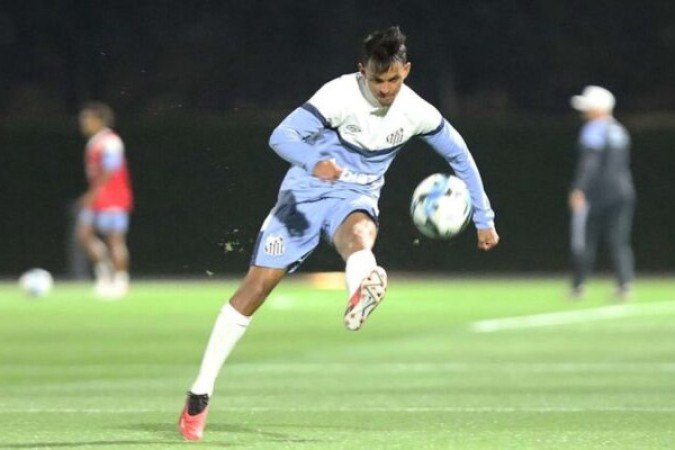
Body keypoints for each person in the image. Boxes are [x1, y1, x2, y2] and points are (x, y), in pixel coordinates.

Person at [178, 26, 499, 441]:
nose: (385, 89)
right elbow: (281, 136)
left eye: (394, 79)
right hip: (303, 196)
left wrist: (484, 217)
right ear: (362, 70)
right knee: (256, 288)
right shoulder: (338, 95)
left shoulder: (416, 110)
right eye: (377, 80)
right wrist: (314, 162)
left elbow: (459, 154)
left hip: (355, 197)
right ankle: (200, 391)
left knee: (360, 233)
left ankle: (359, 291)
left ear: (406, 70)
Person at [568, 85, 635, 300]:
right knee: (619, 240)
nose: (584, 112)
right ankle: (625, 284)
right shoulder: (619, 130)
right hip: (623, 191)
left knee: (585, 239)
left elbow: (590, 163)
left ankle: (578, 285)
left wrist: (579, 188)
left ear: (598, 109)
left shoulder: (594, 129)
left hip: (597, 194)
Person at [76, 102, 133, 299]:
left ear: (99, 120)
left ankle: (121, 280)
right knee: (84, 234)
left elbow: (111, 169)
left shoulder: (110, 142)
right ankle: (104, 275)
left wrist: (92, 194)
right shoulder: (94, 142)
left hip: (113, 198)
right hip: (98, 198)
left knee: (114, 240)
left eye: (87, 118)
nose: (83, 122)